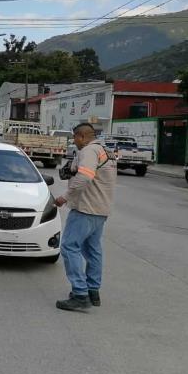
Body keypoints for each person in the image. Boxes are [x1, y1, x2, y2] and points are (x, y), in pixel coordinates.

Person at [54, 123, 117, 312]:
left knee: (69, 246)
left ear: (82, 136)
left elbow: (85, 177)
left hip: (86, 209)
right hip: (101, 209)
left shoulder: (89, 151)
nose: (74, 141)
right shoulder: (105, 150)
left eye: (74, 138)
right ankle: (92, 291)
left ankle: (80, 293)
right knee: (92, 250)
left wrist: (64, 197)